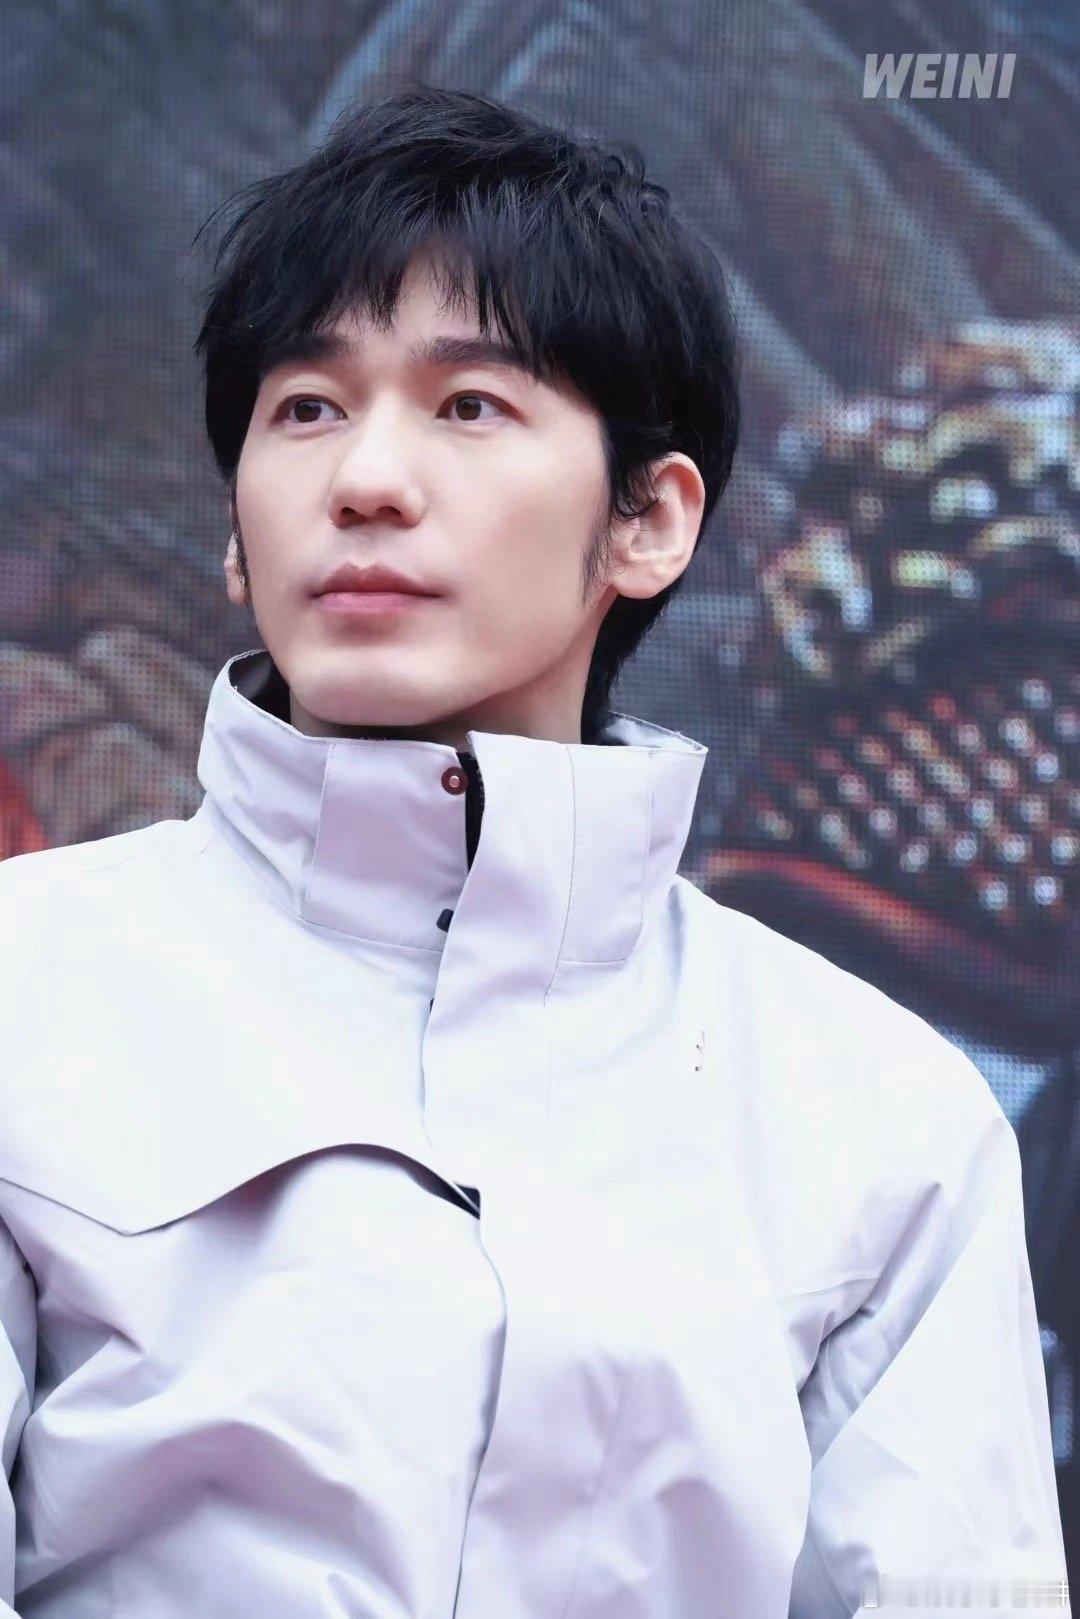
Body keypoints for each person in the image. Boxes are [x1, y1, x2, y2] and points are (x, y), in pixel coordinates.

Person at [0, 83, 1069, 1619]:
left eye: (469, 406)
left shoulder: (878, 1115)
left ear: (648, 522)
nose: (365, 479)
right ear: (236, 532)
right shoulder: (28, 988)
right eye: (306, 408)